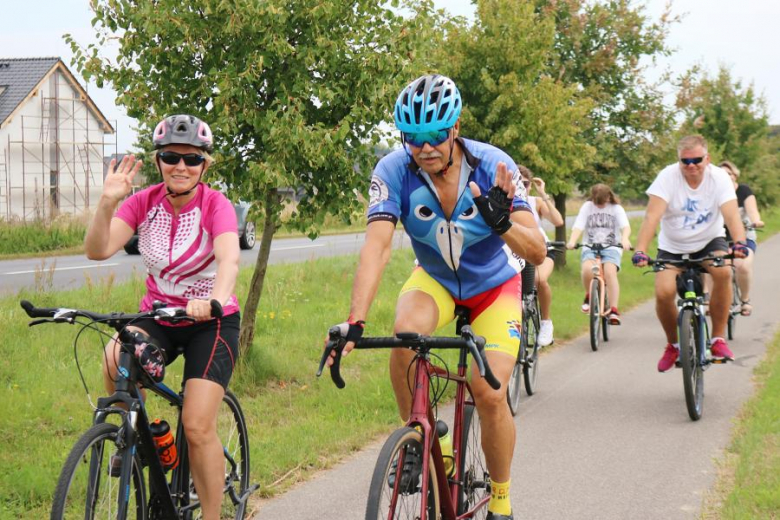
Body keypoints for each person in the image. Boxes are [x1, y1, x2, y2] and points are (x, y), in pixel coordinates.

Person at [327, 74, 546, 520]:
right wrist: (355, 318)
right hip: (436, 281)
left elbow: (538, 250)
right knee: (406, 334)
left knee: (488, 392)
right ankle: (426, 444)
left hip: (493, 288)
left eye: (434, 136)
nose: (424, 148)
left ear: (456, 128)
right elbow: (378, 245)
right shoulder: (393, 170)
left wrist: (502, 223)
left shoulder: (492, 165)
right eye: (413, 137)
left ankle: (500, 501)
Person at [84, 114, 241, 520]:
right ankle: (146, 433)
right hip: (162, 316)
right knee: (112, 357)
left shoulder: (215, 205)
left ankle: (212, 516)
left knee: (198, 424)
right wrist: (107, 202)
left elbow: (229, 259)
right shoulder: (143, 202)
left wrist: (215, 300)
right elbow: (97, 250)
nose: (181, 167)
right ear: (159, 161)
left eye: (192, 159)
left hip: (212, 321)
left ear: (205, 164)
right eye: (171, 156)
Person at [632, 135, 749, 372]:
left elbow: (731, 215)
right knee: (663, 292)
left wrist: (739, 243)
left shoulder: (719, 179)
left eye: (697, 160)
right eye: (685, 161)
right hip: (673, 245)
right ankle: (673, 345)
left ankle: (717, 339)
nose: (691, 165)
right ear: (678, 161)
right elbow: (651, 217)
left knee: (723, 272)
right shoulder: (667, 177)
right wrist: (641, 250)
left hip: (709, 241)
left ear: (707, 159)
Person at [566, 183, 632, 325]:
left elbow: (625, 227)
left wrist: (625, 239)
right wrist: (572, 241)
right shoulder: (587, 207)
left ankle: (614, 309)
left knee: (610, 272)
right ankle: (589, 296)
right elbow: (578, 225)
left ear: (609, 197)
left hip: (611, 246)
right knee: (587, 270)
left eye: (603, 202)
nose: (600, 205)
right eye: (597, 203)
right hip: (590, 245)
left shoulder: (616, 208)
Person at [518, 165, 564, 345]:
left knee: (539, 279)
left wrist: (542, 193)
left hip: (541, 250)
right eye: (518, 182)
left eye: (526, 183)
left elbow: (558, 221)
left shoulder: (535, 201)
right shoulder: (504, 200)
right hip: (516, 252)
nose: (522, 187)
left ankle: (546, 323)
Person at [717, 160, 763, 315]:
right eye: (722, 174)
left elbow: (752, 210)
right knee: (715, 265)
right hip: (720, 238)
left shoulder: (743, 191)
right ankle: (710, 299)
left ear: (735, 175)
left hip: (743, 237)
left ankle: (745, 300)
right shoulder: (714, 193)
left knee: (742, 265)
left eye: (729, 174)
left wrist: (756, 220)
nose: (726, 177)